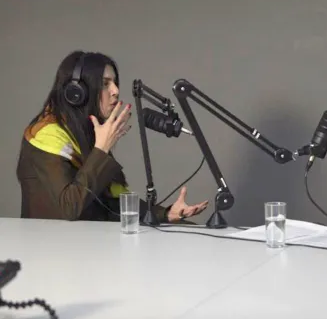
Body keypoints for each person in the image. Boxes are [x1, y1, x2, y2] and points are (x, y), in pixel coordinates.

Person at [16, 50, 208, 222]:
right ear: (77, 93)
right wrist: (101, 149)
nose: (115, 91)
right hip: (54, 251)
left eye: (115, 83)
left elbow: (111, 201)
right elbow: (70, 207)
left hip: (92, 243)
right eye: (105, 84)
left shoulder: (86, 131)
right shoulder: (46, 135)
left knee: (186, 229)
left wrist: (165, 214)